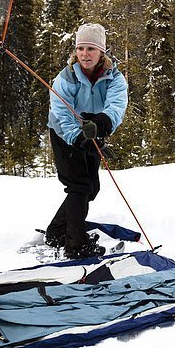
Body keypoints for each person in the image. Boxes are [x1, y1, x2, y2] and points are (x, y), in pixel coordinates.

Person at [45, 23, 128, 259]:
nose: (84, 54)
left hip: (93, 130)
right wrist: (77, 136)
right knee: (79, 186)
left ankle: (57, 230)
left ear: (101, 52)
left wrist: (101, 124)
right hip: (64, 133)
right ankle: (76, 246)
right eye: (80, 48)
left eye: (90, 48)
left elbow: (116, 106)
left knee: (91, 187)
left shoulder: (114, 78)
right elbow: (61, 113)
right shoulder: (67, 77)